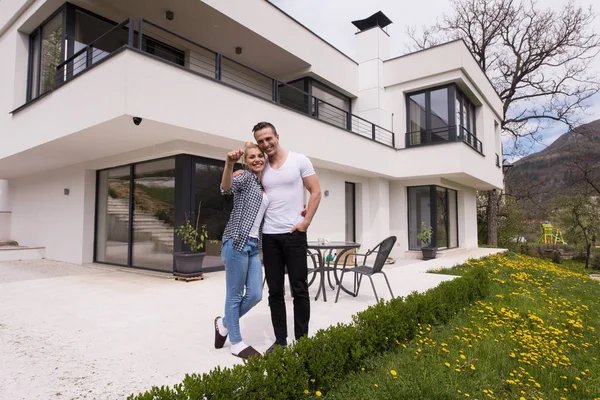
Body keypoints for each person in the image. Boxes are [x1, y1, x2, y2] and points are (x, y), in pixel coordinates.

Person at [252, 121, 321, 352]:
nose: (265, 144)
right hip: (270, 237)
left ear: (277, 136)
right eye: (260, 141)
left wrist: (306, 221)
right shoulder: (261, 168)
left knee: (299, 289)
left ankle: (302, 340)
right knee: (274, 291)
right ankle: (280, 341)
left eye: (268, 138)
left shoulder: (299, 160)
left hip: (294, 235)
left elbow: (315, 191)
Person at [214, 141, 268, 359]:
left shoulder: (265, 185)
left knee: (255, 294)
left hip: (254, 246)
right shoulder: (244, 178)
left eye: (259, 156)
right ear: (246, 161)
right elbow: (225, 188)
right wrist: (229, 164)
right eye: (252, 157)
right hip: (237, 241)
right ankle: (236, 342)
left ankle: (224, 323)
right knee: (234, 296)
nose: (256, 159)